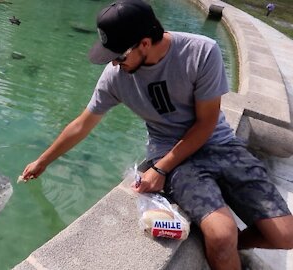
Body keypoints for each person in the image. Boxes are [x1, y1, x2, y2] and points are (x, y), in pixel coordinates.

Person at [21, 0, 293, 269]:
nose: (115, 64)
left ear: (145, 43)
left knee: (286, 236)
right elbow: (82, 123)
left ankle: (231, 247)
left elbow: (206, 124)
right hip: (174, 156)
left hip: (218, 144)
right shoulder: (115, 77)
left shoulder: (201, 52)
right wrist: (43, 161)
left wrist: (159, 171)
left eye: (119, 55)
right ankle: (223, 248)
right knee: (221, 234)